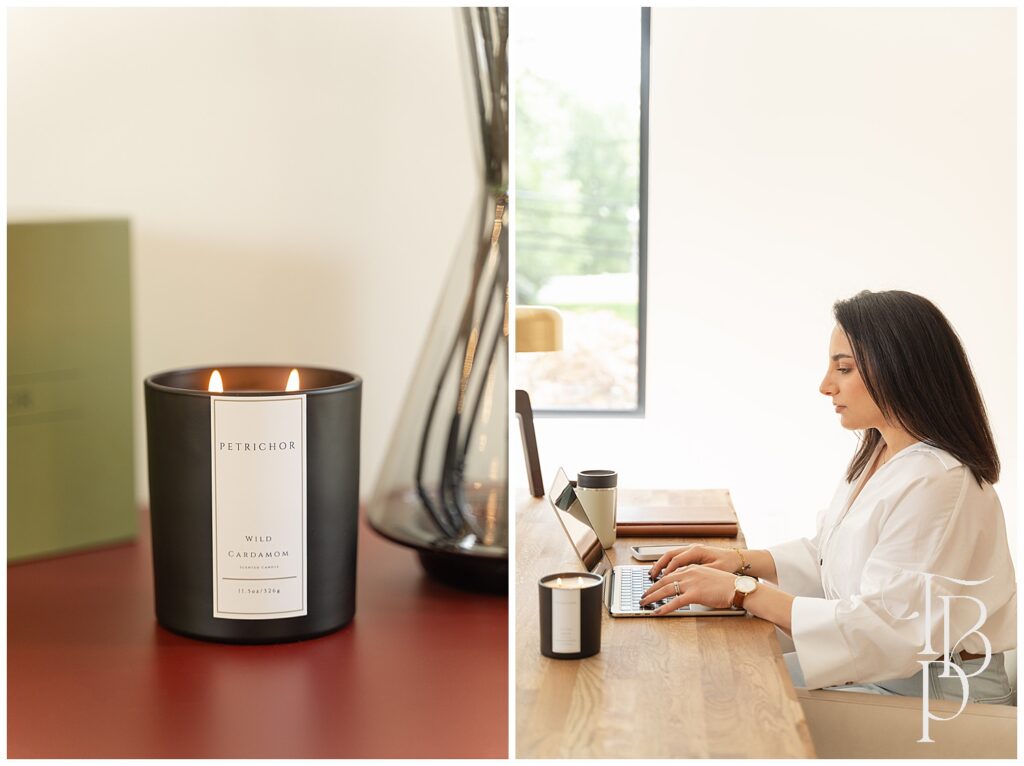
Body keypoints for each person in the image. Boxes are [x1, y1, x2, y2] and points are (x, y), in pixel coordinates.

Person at [641, 290, 1016, 702]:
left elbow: (889, 628)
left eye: (844, 368)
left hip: (936, 694)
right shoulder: (882, 453)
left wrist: (741, 590)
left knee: (722, 692)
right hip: (894, 671)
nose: (825, 386)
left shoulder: (938, 481)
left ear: (900, 369)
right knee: (710, 672)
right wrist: (740, 562)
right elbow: (832, 555)